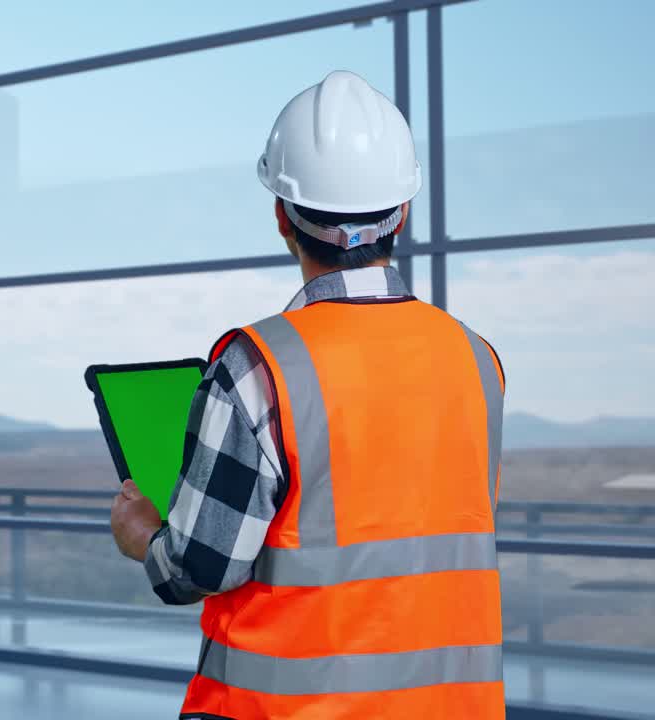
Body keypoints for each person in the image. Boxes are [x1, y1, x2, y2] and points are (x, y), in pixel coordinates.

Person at [109, 70, 506, 719]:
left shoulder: (256, 367)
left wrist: (144, 535)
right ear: (402, 210)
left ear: (280, 217)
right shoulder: (477, 359)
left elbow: (198, 568)